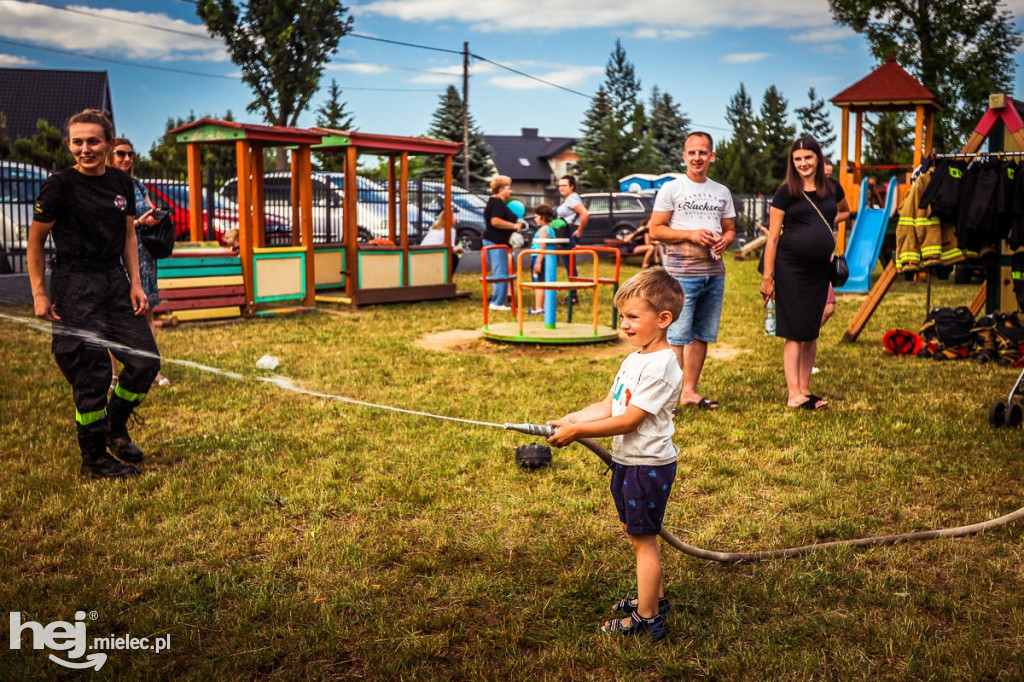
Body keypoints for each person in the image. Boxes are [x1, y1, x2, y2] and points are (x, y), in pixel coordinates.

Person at [547, 267, 685, 640]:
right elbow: (611, 404)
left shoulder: (662, 366)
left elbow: (629, 421)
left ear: (663, 319)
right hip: (627, 463)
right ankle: (653, 598)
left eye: (633, 317)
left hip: (646, 466)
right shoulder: (637, 358)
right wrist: (573, 418)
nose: (624, 324)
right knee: (634, 530)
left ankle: (647, 618)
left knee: (644, 541)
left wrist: (578, 432)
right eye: (622, 316)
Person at [27, 109, 161, 478]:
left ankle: (114, 427)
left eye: (93, 141)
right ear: (69, 144)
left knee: (145, 362)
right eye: (77, 142)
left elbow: (129, 235)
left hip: (114, 282)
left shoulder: (120, 183)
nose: (85, 149)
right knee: (92, 375)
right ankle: (95, 460)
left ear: (108, 142)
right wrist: (39, 293)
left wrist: (135, 282)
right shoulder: (59, 186)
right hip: (74, 286)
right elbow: (36, 242)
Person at [759, 136, 851, 410]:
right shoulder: (785, 193)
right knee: (795, 331)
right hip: (791, 268)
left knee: (811, 331)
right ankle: (794, 394)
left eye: (808, 158)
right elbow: (773, 238)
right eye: (797, 159)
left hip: (820, 269)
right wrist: (768, 276)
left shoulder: (832, 188)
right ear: (792, 162)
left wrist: (819, 228)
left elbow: (844, 211)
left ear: (817, 158)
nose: (803, 164)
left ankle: (806, 390)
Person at [649, 132, 736, 410]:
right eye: (692, 153)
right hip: (680, 273)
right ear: (684, 156)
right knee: (676, 337)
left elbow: (731, 229)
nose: (697, 158)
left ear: (711, 156)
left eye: (703, 152)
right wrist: (690, 235)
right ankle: (668, 400)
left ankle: (689, 392)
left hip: (714, 273)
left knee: (701, 335)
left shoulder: (721, 191)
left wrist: (726, 239)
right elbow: (656, 230)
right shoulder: (673, 189)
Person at [107, 137, 172, 389]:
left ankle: (152, 370)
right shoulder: (105, 186)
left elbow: (149, 210)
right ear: (110, 155)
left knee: (147, 314)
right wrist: (138, 223)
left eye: (130, 154)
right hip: (118, 257)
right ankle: (112, 375)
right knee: (114, 317)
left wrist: (154, 217)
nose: (126, 159)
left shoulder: (136, 184)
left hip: (143, 256)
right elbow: (111, 226)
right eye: (121, 154)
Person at [482, 175, 525, 311]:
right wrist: (513, 226)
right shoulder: (498, 203)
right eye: (508, 188)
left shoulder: (495, 202)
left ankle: (496, 299)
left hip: (494, 241)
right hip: (497, 241)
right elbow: (495, 221)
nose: (510, 191)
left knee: (499, 270)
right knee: (502, 271)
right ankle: (497, 302)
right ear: (500, 189)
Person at [555, 175, 589, 302]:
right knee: (569, 264)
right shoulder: (569, 199)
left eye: (564, 185)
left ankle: (573, 296)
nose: (561, 188)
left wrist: (579, 230)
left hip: (570, 231)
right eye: (560, 185)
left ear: (572, 186)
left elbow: (585, 213)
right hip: (566, 231)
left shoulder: (572, 199)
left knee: (570, 264)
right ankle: (572, 294)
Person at [527, 204, 559, 315]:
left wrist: (538, 262)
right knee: (546, 283)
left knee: (539, 283)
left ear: (543, 217)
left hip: (540, 257)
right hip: (549, 258)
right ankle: (546, 306)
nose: (535, 219)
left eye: (536, 216)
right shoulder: (550, 229)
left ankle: (538, 307)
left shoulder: (542, 230)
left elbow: (542, 246)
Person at [420, 211, 465, 275]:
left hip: (422, 254)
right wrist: (459, 249)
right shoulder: (450, 230)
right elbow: (450, 249)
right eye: (453, 217)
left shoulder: (435, 229)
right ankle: (448, 278)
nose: (456, 219)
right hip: (435, 255)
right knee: (454, 257)